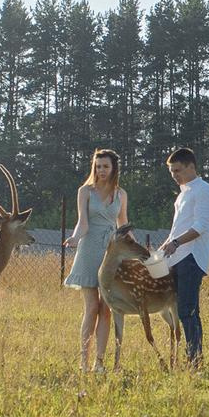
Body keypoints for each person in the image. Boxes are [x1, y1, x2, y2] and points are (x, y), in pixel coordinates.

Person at [63, 148, 129, 373]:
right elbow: (83, 223)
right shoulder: (85, 191)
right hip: (89, 248)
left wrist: (139, 251)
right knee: (91, 307)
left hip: (111, 251)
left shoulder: (121, 194)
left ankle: (99, 362)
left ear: (113, 169)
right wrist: (74, 237)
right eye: (98, 166)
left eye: (105, 166)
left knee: (106, 308)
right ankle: (83, 361)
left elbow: (123, 226)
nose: (101, 170)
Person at [156, 147, 209, 367]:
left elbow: (200, 226)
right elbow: (178, 226)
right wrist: (167, 243)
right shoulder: (184, 192)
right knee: (180, 308)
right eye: (172, 172)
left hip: (191, 257)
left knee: (188, 310)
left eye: (178, 171)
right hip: (176, 256)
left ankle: (194, 359)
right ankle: (190, 356)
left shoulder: (203, 190)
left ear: (191, 166)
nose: (175, 176)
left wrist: (176, 242)